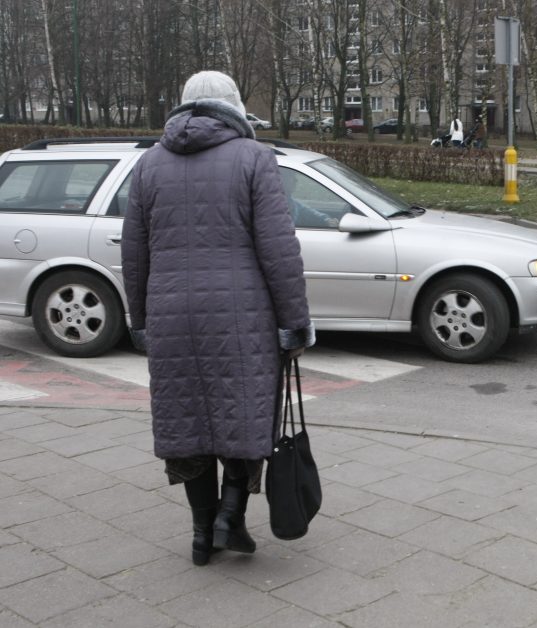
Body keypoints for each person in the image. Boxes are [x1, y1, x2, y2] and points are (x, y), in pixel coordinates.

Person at [121, 70, 315, 566]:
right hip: (241, 314)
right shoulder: (253, 158)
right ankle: (231, 517)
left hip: (170, 312)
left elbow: (135, 253)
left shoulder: (147, 165)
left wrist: (140, 319)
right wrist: (294, 321)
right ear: (234, 107)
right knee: (246, 410)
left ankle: (201, 534)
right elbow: (278, 249)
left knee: (187, 419)